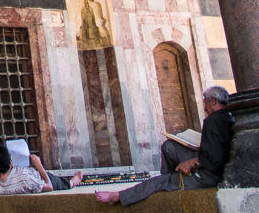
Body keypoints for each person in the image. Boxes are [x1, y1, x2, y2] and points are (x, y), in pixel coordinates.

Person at [96, 85, 234, 205]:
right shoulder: (230, 117)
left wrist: (194, 162)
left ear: (213, 101)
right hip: (216, 168)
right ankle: (172, 178)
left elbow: (215, 158)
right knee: (169, 147)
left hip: (209, 176)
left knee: (159, 182)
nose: (204, 108)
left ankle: (118, 196)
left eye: (206, 103)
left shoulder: (213, 121)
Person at [0, 145, 83, 194]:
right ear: (10, 163)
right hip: (38, 178)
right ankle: (71, 183)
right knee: (55, 180)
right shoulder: (25, 179)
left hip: (19, 176)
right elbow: (49, 187)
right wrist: (38, 165)